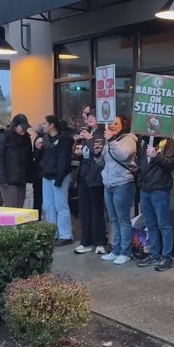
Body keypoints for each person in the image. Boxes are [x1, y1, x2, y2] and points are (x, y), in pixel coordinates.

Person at [136, 132, 174, 271]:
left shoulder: (168, 141)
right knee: (150, 224)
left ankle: (166, 257)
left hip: (160, 188)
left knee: (163, 224)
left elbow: (171, 164)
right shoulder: (144, 141)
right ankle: (154, 254)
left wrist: (157, 156)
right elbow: (142, 163)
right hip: (145, 188)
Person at [100, 114, 138, 265]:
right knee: (113, 219)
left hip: (123, 183)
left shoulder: (129, 139)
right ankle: (115, 250)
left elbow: (123, 155)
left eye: (116, 123)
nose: (112, 126)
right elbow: (102, 161)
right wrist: (97, 153)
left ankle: (125, 252)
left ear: (124, 125)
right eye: (111, 123)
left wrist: (111, 141)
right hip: (108, 183)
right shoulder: (110, 140)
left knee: (123, 219)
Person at [34, 114, 75, 246]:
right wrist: (38, 149)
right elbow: (43, 158)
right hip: (47, 175)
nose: (43, 126)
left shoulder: (63, 140)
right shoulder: (47, 140)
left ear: (52, 125)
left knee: (60, 205)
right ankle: (53, 232)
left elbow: (63, 160)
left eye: (45, 123)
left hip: (58, 176)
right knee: (48, 205)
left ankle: (65, 234)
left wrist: (59, 177)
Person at [73, 109, 109, 255]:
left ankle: (99, 241)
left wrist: (89, 139)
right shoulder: (86, 133)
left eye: (92, 116)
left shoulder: (102, 133)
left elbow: (97, 151)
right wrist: (78, 149)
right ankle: (85, 241)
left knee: (97, 210)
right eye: (87, 117)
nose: (88, 119)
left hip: (97, 176)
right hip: (84, 174)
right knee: (85, 210)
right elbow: (81, 153)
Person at [0, 113, 32, 207]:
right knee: (10, 206)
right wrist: (1, 179)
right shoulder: (3, 138)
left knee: (19, 207)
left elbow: (28, 159)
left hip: (21, 178)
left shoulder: (26, 139)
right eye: (22, 127)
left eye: (25, 128)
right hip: (8, 179)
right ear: (15, 126)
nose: (24, 129)